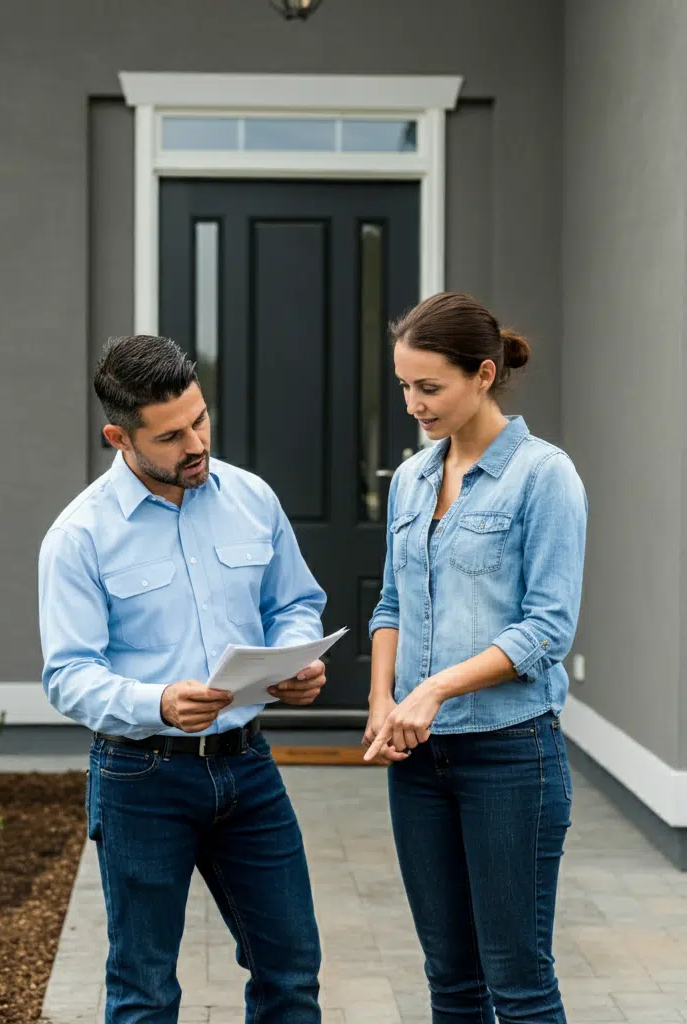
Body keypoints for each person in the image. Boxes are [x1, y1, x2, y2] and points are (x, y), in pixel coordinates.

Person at [38, 334, 329, 1024]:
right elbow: (68, 675)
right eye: (171, 436)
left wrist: (294, 660)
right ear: (119, 437)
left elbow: (293, 603)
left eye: (200, 419)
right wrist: (158, 702)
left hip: (250, 769)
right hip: (142, 778)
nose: (196, 443)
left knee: (291, 970)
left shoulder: (252, 498)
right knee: (144, 991)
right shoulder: (79, 536)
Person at [363, 292, 587, 1023]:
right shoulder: (410, 480)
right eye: (404, 386)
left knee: (518, 983)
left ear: (484, 374)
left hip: (510, 756)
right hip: (420, 765)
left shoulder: (544, 477)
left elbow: (547, 631)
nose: (413, 405)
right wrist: (383, 704)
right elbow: (391, 606)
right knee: (450, 980)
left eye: (430, 387)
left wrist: (433, 691)